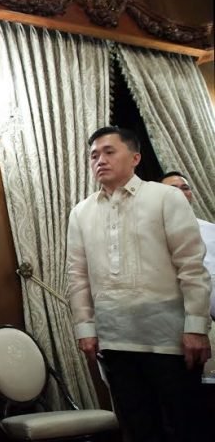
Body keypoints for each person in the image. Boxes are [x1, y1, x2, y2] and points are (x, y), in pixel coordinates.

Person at [66, 126, 211, 442]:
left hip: (170, 339)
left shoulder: (166, 198)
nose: (99, 160)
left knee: (189, 427)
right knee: (140, 430)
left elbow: (192, 267)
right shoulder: (80, 213)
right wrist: (85, 329)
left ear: (135, 157)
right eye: (93, 155)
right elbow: (77, 277)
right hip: (115, 342)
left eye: (108, 152)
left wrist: (196, 327)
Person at [161, 171, 215, 320]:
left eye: (185, 187)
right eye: (174, 189)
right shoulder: (154, 236)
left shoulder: (211, 229)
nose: (181, 192)